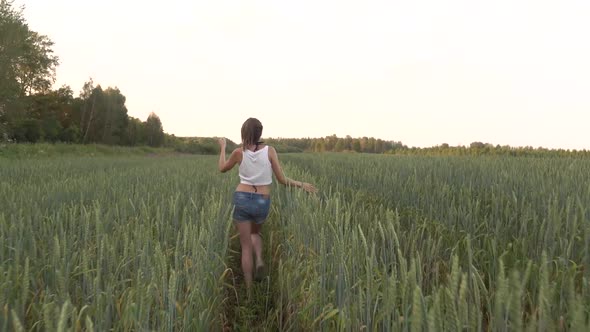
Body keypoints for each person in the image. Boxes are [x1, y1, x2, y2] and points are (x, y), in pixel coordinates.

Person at [217, 118, 317, 288]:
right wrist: (301, 184)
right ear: (259, 133)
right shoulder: (270, 151)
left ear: (243, 132)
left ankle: (248, 291)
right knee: (255, 233)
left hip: (242, 197)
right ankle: (260, 260)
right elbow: (282, 180)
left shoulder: (238, 153)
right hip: (262, 200)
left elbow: (222, 168)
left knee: (245, 245)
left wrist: (223, 148)